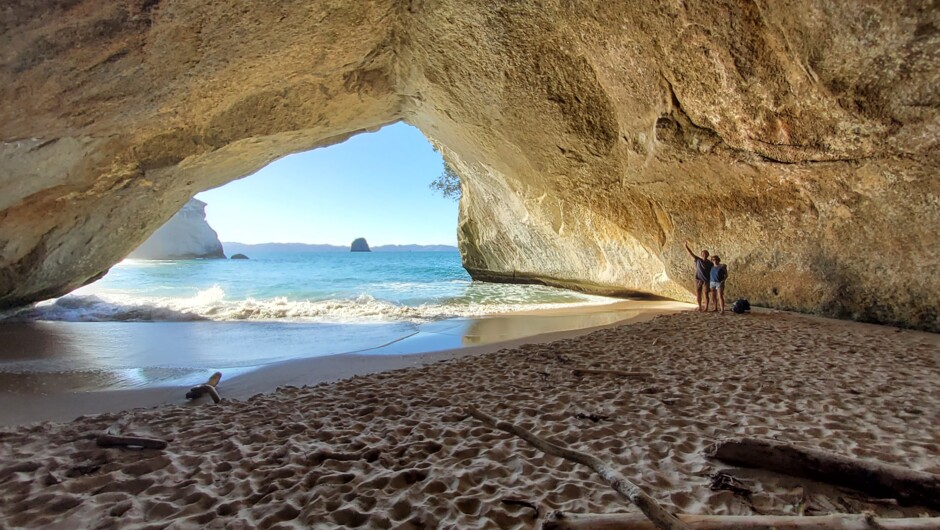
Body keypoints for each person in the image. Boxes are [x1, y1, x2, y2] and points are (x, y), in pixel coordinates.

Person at [684, 241, 712, 311]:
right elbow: (691, 253)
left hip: (706, 280)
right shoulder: (698, 260)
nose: (704, 255)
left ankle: (706, 307)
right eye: (703, 254)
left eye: (706, 254)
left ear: (708, 255)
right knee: (698, 293)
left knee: (705, 294)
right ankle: (699, 306)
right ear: (701, 254)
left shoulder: (710, 263)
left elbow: (713, 270)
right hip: (698, 279)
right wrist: (686, 246)